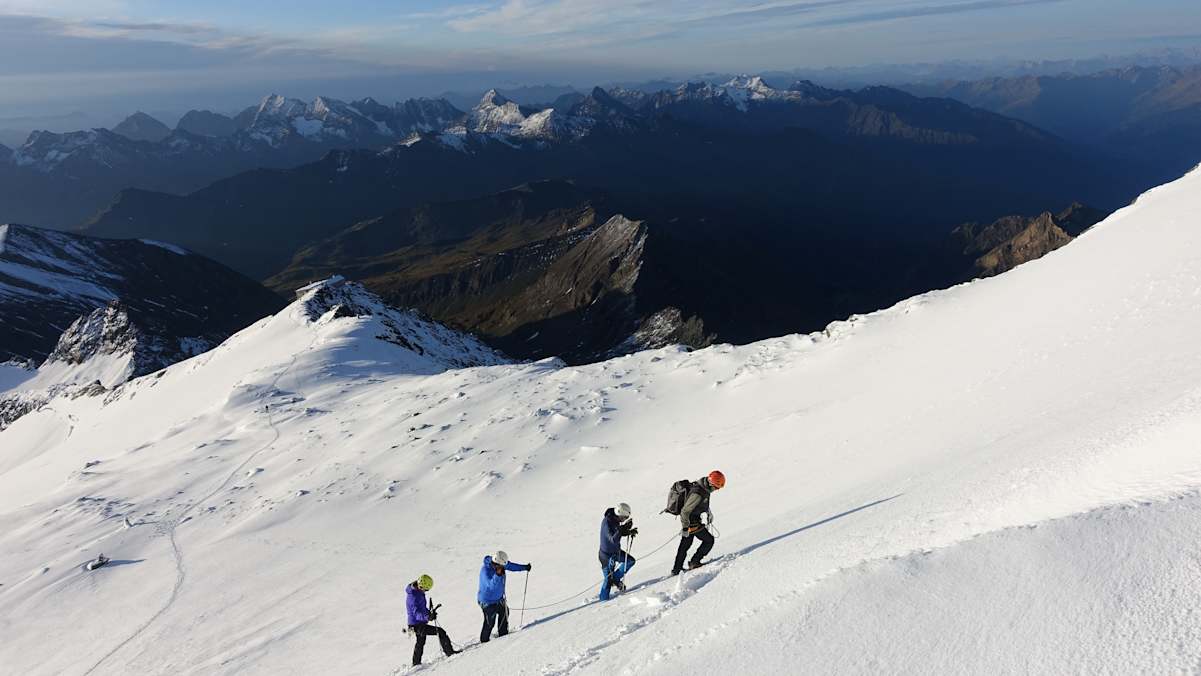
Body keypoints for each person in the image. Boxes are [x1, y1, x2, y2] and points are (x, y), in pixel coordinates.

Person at [672, 470, 725, 575]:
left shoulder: (704, 488)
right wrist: (685, 528)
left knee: (685, 545)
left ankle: (677, 569)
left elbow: (701, 504)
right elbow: (685, 511)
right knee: (709, 540)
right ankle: (694, 562)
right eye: (716, 487)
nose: (717, 490)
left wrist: (709, 513)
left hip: (692, 520)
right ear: (711, 484)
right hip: (691, 522)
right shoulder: (698, 493)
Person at [477, 550, 531, 643]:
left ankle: (503, 637)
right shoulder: (485, 571)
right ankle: (484, 642)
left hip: (499, 599)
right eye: (501, 566)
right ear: (496, 564)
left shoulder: (500, 564)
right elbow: (491, 586)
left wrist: (524, 567)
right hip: (487, 601)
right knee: (490, 622)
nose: (503, 568)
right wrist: (497, 575)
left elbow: (511, 566)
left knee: (505, 613)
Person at [406, 574, 458, 666]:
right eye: (426, 589)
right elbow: (416, 613)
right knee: (440, 632)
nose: (426, 591)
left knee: (420, 642)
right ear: (421, 586)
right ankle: (450, 652)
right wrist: (427, 617)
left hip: (418, 623)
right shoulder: (413, 597)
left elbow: (422, 608)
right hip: (417, 624)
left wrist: (429, 613)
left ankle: (416, 663)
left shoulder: (418, 592)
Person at [599, 502, 638, 601]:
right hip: (606, 556)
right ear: (620, 514)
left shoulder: (615, 519)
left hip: (615, 552)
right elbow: (613, 539)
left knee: (630, 561)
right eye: (624, 517)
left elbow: (618, 532)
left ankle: (615, 579)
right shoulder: (607, 523)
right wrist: (622, 529)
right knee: (608, 580)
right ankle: (603, 601)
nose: (624, 519)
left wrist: (628, 531)